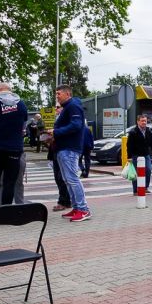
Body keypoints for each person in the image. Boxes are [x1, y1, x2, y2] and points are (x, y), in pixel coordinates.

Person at [49, 84, 91, 222]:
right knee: (67, 180)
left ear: (67, 94)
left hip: (70, 149)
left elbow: (76, 125)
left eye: (59, 93)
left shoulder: (73, 106)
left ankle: (83, 209)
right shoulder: (68, 107)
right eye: (56, 94)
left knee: (72, 179)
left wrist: (56, 132)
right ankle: (76, 208)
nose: (57, 96)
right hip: (63, 148)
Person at [0, 82, 28, 209]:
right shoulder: (21, 104)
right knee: (10, 182)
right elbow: (23, 122)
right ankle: (6, 210)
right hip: (14, 149)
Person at [49, 105, 72, 212]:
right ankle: (65, 200)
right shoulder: (58, 119)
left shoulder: (67, 119)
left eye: (58, 107)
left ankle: (65, 201)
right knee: (58, 178)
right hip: (56, 150)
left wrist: (54, 134)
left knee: (62, 178)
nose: (56, 109)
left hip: (64, 150)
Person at [127, 115, 152, 195]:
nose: (144, 122)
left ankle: (145, 187)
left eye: (145, 121)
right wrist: (129, 157)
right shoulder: (133, 132)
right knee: (135, 173)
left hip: (146, 154)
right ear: (138, 122)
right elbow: (129, 145)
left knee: (148, 169)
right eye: (142, 121)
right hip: (136, 155)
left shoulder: (148, 131)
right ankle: (135, 190)